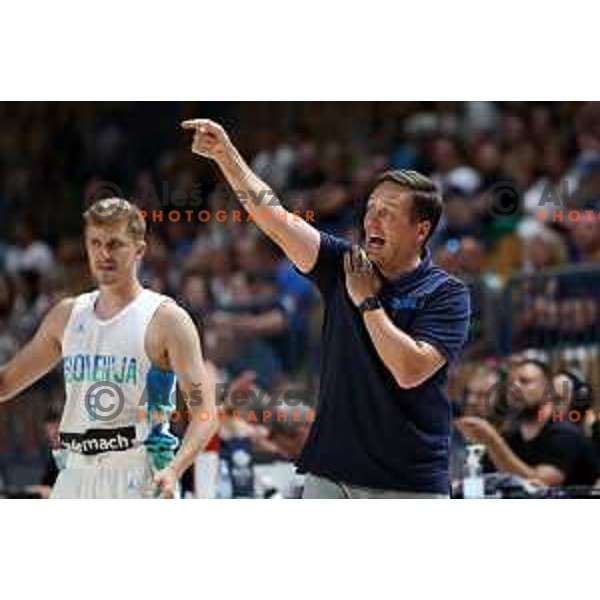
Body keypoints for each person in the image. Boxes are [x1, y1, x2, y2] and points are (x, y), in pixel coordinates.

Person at [182, 119, 471, 498]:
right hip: (329, 473)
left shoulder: (447, 293)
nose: (372, 220)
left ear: (421, 230)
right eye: (371, 208)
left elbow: (409, 369)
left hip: (408, 482)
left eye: (388, 212)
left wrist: (367, 301)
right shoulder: (344, 263)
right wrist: (227, 157)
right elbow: (277, 220)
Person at [0, 198, 217, 498]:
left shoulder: (167, 319)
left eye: (115, 244)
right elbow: (6, 383)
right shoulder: (66, 315)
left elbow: (205, 412)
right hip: (73, 472)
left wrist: (175, 468)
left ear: (139, 249)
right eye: (95, 243)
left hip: (138, 471)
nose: (104, 254)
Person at [456, 359, 598, 486]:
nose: (514, 388)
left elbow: (539, 485)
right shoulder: (512, 435)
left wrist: (492, 440)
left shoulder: (565, 433)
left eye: (525, 381)